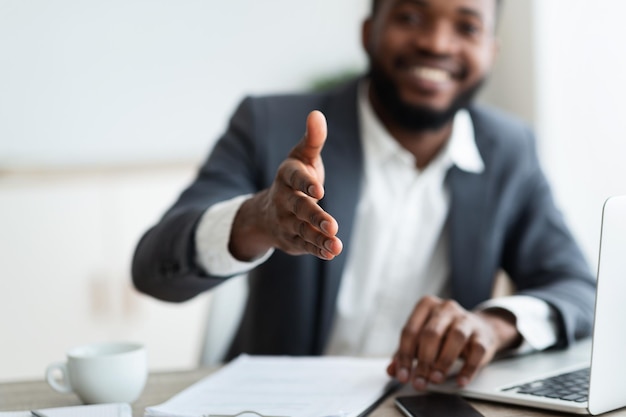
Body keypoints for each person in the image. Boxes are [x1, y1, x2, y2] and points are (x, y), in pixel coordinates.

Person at [132, 0, 596, 391]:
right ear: (370, 31)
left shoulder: (509, 152)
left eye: (467, 26)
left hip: (428, 404)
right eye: (411, 16)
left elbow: (576, 288)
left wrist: (493, 326)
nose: (436, 43)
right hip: (280, 404)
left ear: (492, 51)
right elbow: (153, 268)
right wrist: (258, 219)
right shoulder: (269, 124)